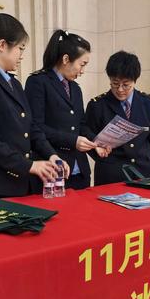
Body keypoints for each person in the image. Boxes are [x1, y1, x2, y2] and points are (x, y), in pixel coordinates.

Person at [0, 13, 69, 203]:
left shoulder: (15, 84)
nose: (22, 55)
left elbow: (31, 128)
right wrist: (29, 165)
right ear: (2, 45)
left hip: (19, 184)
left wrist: (51, 155)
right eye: (20, 48)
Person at [25, 30, 108, 190]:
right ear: (65, 59)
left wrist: (96, 142)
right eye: (82, 64)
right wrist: (73, 141)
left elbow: (81, 125)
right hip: (52, 171)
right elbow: (36, 126)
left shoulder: (75, 88)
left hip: (79, 171)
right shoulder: (38, 82)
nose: (82, 71)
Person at [85, 51, 150, 185]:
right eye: (115, 83)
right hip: (112, 172)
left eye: (126, 85)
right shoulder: (97, 105)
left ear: (134, 81)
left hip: (145, 168)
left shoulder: (148, 102)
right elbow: (87, 134)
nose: (120, 89)